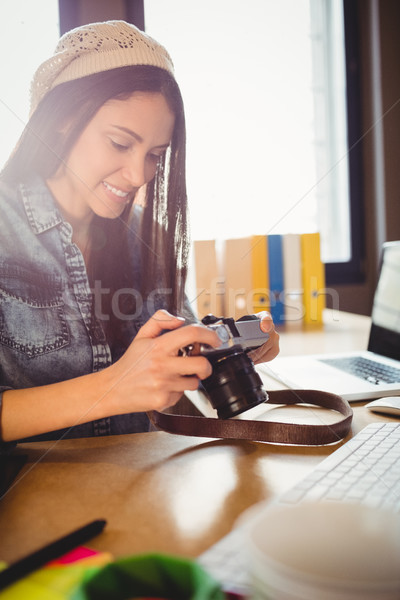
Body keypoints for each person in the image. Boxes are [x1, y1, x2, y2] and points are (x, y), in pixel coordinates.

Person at [0, 20, 279, 445]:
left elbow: (177, 366)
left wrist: (225, 352)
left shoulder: (147, 237)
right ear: (62, 118)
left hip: (137, 490)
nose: (137, 176)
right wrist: (113, 388)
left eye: (154, 155)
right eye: (119, 143)